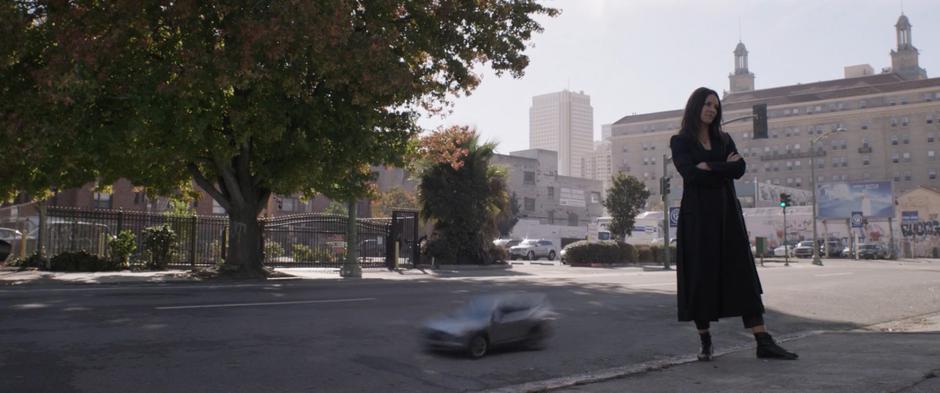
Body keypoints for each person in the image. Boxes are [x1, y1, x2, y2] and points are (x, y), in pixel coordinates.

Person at [669, 87, 798, 361]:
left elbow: (739, 169)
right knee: (700, 280)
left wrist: (710, 167)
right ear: (695, 106)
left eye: (715, 106)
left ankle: (763, 341)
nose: (712, 109)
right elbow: (690, 175)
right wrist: (720, 168)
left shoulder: (725, 139)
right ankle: (705, 341)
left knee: (743, 277)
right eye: (707, 104)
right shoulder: (680, 141)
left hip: (728, 217)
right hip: (698, 221)